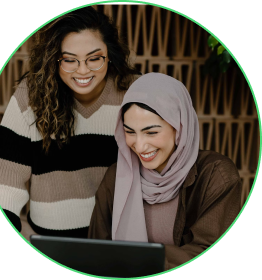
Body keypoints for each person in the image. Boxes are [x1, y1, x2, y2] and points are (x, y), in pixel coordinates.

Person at [0, 6, 140, 238]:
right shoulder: (30, 96)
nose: (82, 71)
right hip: (47, 246)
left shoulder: (134, 92)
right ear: (54, 59)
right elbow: (4, 184)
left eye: (94, 58)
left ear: (110, 55)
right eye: (69, 60)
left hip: (119, 244)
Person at [88, 73, 242, 270]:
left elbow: (213, 254)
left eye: (151, 132)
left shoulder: (216, 175)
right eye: (129, 132)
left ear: (180, 127)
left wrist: (135, 257)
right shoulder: (116, 176)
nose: (140, 146)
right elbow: (96, 249)